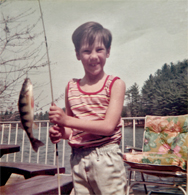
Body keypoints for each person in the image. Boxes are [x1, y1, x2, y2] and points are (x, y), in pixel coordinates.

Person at [49, 21, 127, 195]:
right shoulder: (71, 87)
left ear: (108, 51)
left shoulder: (115, 84)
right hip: (78, 160)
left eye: (99, 50)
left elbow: (108, 127)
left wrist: (66, 120)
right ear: (77, 54)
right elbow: (73, 130)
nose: (93, 56)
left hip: (106, 160)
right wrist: (61, 132)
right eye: (86, 50)